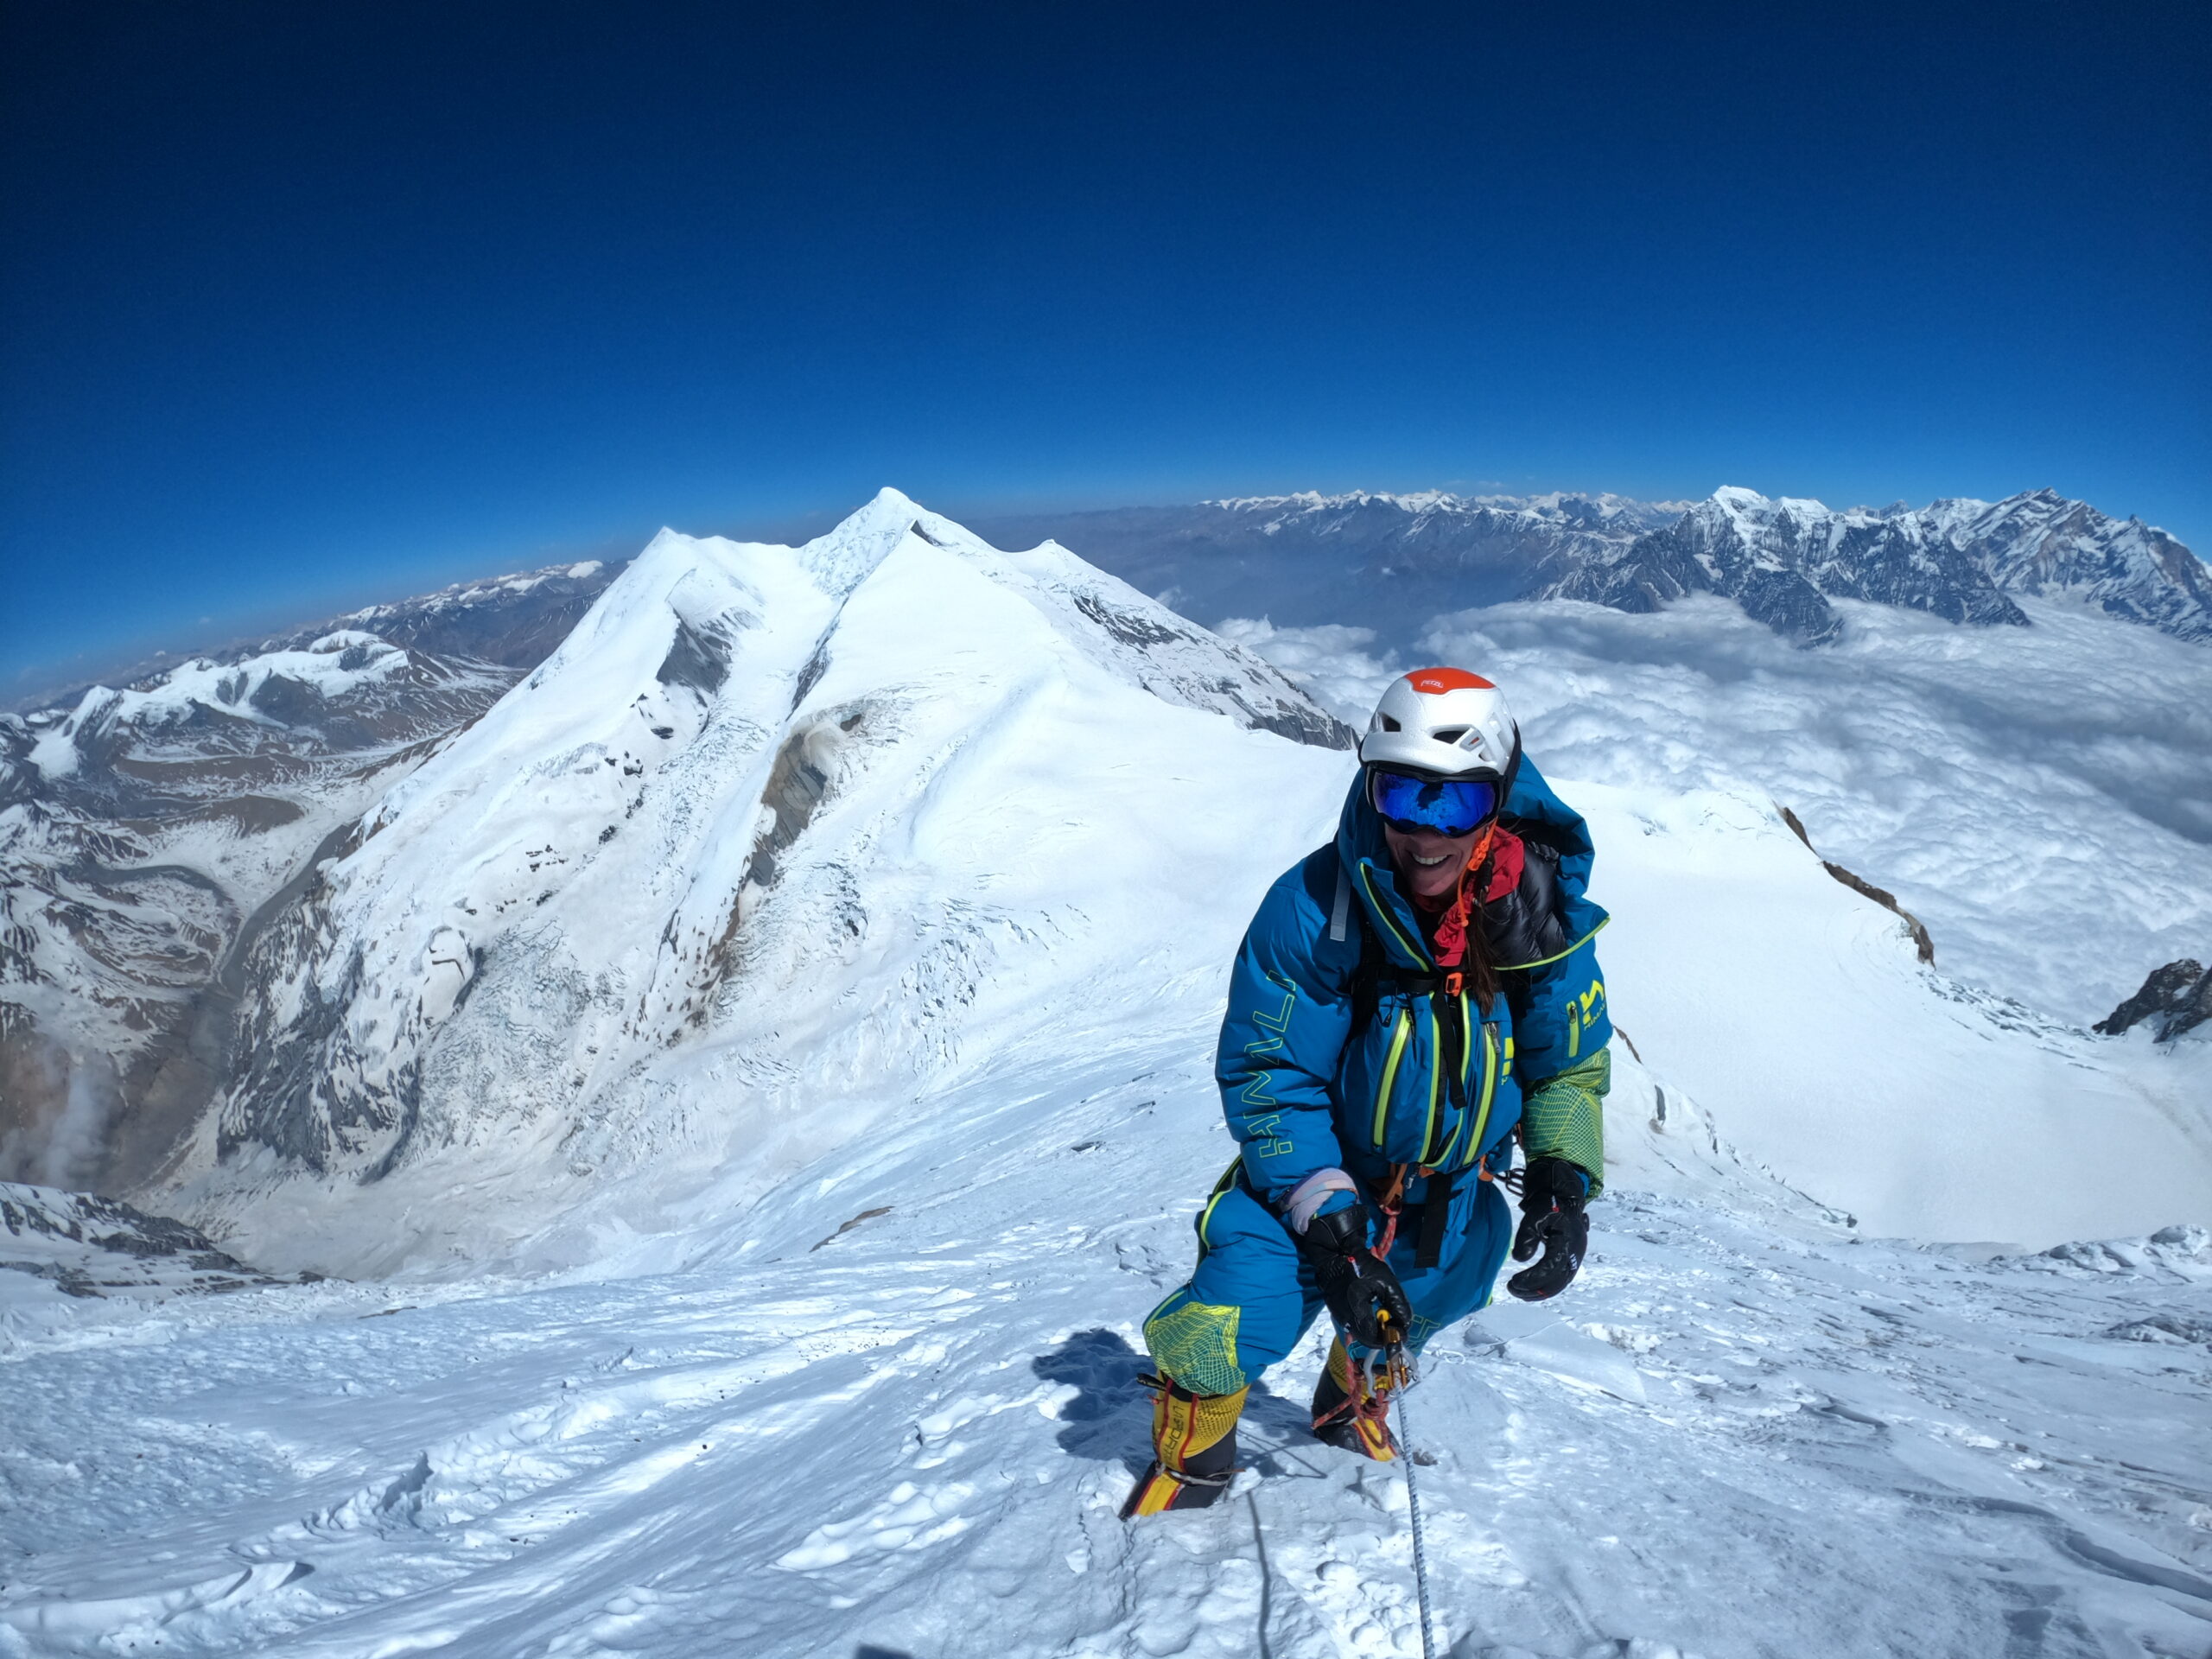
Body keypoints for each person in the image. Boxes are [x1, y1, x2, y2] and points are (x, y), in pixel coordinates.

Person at [1123, 666, 1612, 1517]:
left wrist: (1564, 1177)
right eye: (1398, 795)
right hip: (1308, 1190)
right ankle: (1192, 1473)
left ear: (1496, 801)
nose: (1422, 835)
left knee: (1411, 1312)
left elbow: (1565, 1062)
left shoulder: (1537, 921)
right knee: (1222, 1325)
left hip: (1444, 1200)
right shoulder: (1314, 910)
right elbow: (1272, 1077)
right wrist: (1335, 1231)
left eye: (1451, 805)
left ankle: (1351, 1402)